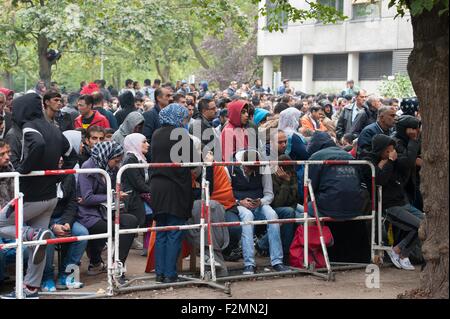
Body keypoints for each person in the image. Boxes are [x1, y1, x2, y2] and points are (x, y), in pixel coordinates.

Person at [1, 93, 74, 299]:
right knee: (39, 242)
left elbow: (38, 145)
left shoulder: (28, 127)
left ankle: (30, 234)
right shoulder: (54, 128)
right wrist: (57, 177)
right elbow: (72, 155)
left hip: (29, 196)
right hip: (50, 197)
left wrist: (25, 169)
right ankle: (30, 288)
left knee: (4, 225)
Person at [77, 141, 138, 282]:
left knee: (131, 221)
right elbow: (87, 198)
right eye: (115, 161)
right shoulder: (88, 168)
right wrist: (113, 195)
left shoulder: (110, 169)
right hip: (88, 215)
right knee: (115, 229)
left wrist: (114, 194)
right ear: (106, 156)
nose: (117, 164)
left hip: (104, 212)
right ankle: (112, 267)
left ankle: (116, 264)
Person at [360, 134, 422, 270]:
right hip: (387, 206)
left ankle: (399, 251)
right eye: (387, 151)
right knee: (419, 226)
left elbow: (405, 165)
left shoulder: (389, 161)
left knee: (428, 224)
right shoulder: (368, 161)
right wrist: (390, 162)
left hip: (401, 202)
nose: (391, 153)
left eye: (392, 150)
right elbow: (380, 180)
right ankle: (401, 252)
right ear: (379, 150)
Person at [226, 149, 290, 275]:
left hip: (259, 203)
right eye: (248, 168)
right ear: (242, 163)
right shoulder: (230, 168)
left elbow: (269, 194)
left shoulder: (262, 167)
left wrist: (261, 202)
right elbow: (227, 194)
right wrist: (239, 202)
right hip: (239, 204)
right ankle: (249, 263)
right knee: (248, 218)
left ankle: (277, 261)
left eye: (253, 168)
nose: (250, 171)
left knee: (272, 216)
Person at [150, 103, 194, 283]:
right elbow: (193, 162)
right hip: (176, 188)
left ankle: (160, 273)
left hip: (157, 187)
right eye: (183, 118)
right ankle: (170, 274)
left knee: (161, 231)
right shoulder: (182, 135)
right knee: (174, 231)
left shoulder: (156, 134)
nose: (185, 122)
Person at [41, 155, 88, 292]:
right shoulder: (38, 176)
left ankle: (66, 275)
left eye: (62, 154)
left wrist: (66, 222)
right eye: (56, 154)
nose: (60, 159)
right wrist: (52, 226)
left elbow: (72, 203)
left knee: (83, 234)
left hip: (63, 218)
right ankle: (46, 277)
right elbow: (35, 208)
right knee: (47, 238)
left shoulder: (68, 175)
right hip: (42, 220)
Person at [142, 87, 171, 161]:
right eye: (167, 96)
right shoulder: (149, 115)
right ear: (158, 98)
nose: (170, 98)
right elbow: (146, 139)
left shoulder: (170, 115)